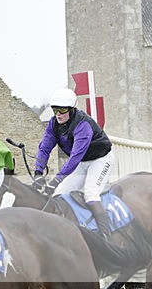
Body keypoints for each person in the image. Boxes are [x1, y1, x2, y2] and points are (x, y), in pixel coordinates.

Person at [34, 87, 116, 238]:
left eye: (62, 110)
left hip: (100, 159)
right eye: (55, 110)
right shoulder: (53, 124)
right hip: (82, 163)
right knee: (58, 195)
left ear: (72, 110)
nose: (58, 114)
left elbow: (75, 157)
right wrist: (38, 172)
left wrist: (57, 179)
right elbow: (44, 148)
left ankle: (107, 236)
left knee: (91, 194)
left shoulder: (83, 125)